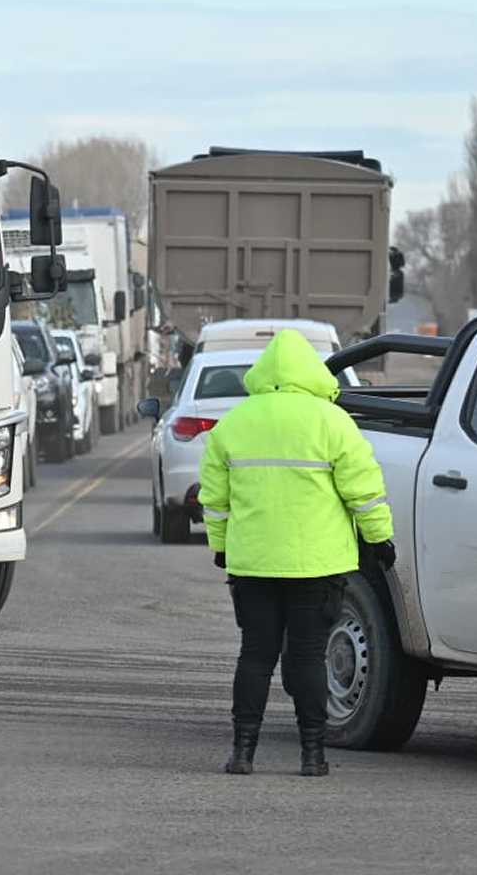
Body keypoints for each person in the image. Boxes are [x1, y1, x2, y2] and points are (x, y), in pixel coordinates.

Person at [197, 329, 393, 778]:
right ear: (312, 373)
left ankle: (243, 752)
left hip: (253, 564)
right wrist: (380, 539)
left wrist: (221, 546)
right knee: (307, 656)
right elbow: (363, 491)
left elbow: (215, 498)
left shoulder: (235, 423)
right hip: (317, 564)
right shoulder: (332, 422)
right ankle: (312, 755)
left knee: (255, 655)